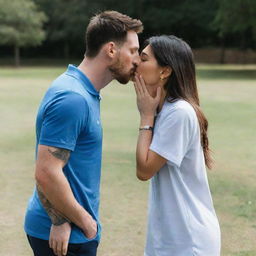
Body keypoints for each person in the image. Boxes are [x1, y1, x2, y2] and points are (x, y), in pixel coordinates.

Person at [24, 10, 143, 256]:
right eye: (132, 51)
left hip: (71, 231)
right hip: (66, 238)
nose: (137, 60)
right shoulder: (73, 98)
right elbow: (46, 170)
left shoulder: (81, 90)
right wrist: (81, 222)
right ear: (111, 50)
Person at [133, 35, 221, 256]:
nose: (136, 62)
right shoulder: (166, 111)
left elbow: (144, 170)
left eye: (143, 58)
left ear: (165, 71)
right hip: (172, 237)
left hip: (187, 241)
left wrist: (146, 116)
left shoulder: (179, 113)